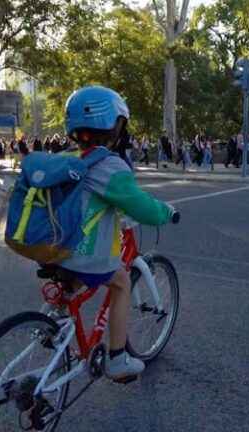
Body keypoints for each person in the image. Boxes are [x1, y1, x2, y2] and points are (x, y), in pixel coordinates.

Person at [61, 86, 176, 381]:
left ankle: (55, 328)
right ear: (113, 125)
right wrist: (166, 211)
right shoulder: (109, 165)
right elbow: (142, 208)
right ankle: (117, 359)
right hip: (81, 254)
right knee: (121, 281)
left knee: (70, 286)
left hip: (52, 248)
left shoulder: (73, 161)